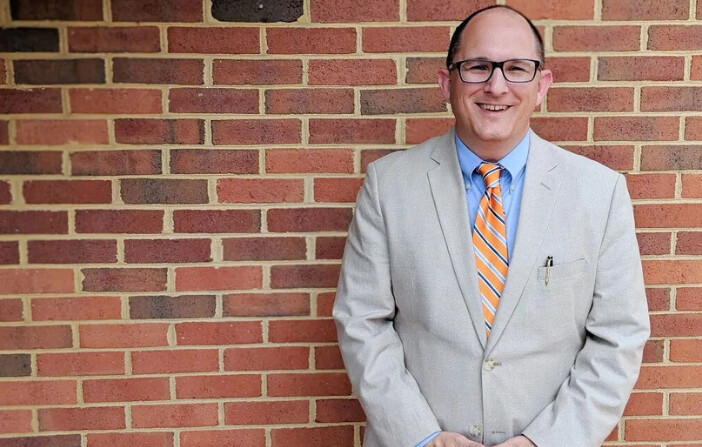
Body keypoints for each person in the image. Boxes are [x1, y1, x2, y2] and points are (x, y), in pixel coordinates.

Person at [333, 5, 650, 447]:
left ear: (542, 86)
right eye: (478, 66)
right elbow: (361, 322)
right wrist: (423, 436)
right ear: (447, 83)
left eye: (517, 68)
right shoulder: (388, 186)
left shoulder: (600, 193)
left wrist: (545, 441)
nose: (496, 86)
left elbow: (619, 336)